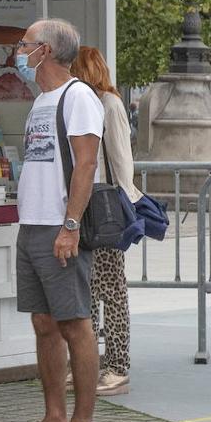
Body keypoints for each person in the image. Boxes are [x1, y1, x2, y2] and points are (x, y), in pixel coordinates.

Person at [3, 18, 104, 422]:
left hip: (59, 225)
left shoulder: (77, 95)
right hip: (33, 224)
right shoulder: (42, 99)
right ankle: (53, 417)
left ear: (44, 50)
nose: (18, 51)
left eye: (24, 44)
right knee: (44, 323)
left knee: (74, 322)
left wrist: (70, 224)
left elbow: (86, 164)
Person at [71, 47, 138, 397]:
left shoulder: (108, 105)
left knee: (111, 292)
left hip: (105, 207)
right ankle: (95, 365)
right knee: (91, 289)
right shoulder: (92, 103)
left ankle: (117, 366)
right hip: (90, 207)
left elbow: (121, 159)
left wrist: (125, 204)